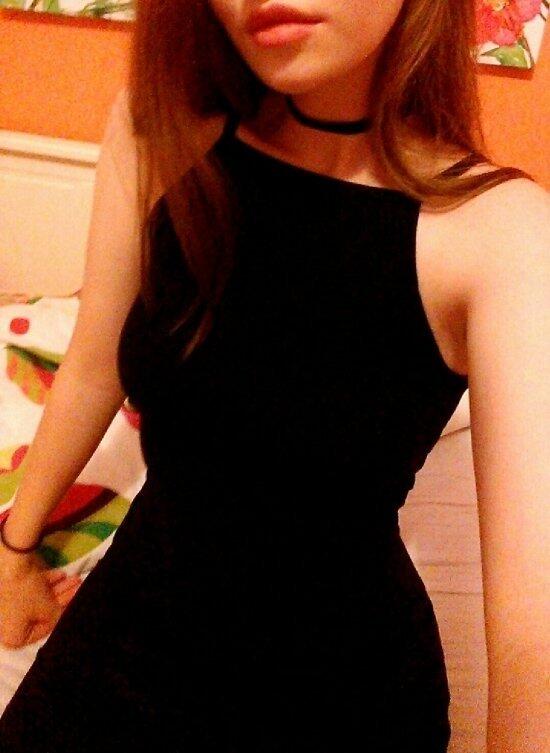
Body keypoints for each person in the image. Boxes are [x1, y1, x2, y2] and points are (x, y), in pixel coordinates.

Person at [0, 1, 548, 751]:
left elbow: (533, 639)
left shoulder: (501, 234)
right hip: (127, 633)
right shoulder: (163, 130)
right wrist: (14, 552)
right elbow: (95, 368)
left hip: (339, 695)